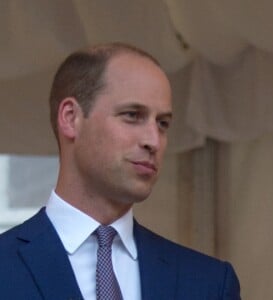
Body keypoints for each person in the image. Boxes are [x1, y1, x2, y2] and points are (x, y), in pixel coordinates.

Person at [0, 42, 241, 299]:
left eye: (163, 124)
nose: (154, 140)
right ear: (71, 118)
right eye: (132, 115)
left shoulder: (209, 283)